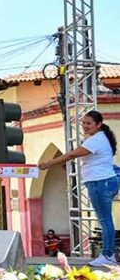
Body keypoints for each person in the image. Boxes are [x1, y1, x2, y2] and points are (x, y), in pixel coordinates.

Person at [40, 110, 119, 266]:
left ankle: (108, 255)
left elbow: (71, 155)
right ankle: (108, 254)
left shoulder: (96, 140)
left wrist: (50, 162)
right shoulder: (96, 138)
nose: (85, 126)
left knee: (105, 220)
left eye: (89, 123)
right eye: (83, 123)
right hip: (102, 182)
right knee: (105, 219)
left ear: (99, 125)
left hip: (100, 182)